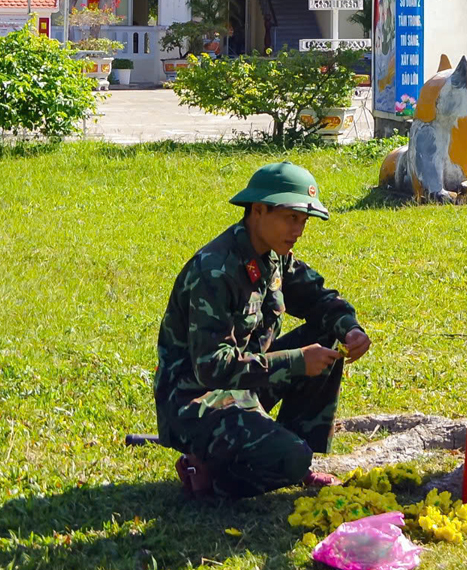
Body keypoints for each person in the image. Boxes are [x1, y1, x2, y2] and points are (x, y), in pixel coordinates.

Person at [154, 160, 372, 497]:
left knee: (328, 334)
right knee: (290, 458)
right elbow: (212, 367)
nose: (298, 230)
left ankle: (296, 452)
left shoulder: (273, 256)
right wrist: (297, 361)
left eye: (303, 221)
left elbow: (317, 297)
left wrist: (350, 328)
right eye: (290, 218)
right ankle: (211, 475)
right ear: (258, 210)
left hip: (243, 385)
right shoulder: (215, 272)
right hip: (195, 400)